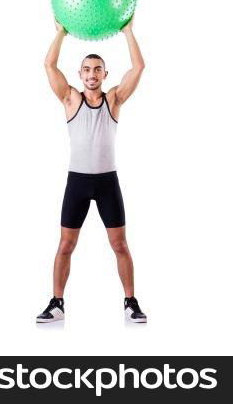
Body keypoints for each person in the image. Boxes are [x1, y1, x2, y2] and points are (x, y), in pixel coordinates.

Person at [36, 18, 147, 323]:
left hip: (107, 182)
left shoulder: (114, 99)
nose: (92, 74)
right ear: (81, 75)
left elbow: (138, 68)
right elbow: (49, 65)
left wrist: (127, 31)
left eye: (98, 69)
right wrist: (60, 32)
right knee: (66, 244)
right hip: (78, 183)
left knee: (120, 244)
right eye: (87, 69)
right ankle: (57, 303)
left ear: (105, 74)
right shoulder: (71, 99)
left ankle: (131, 302)